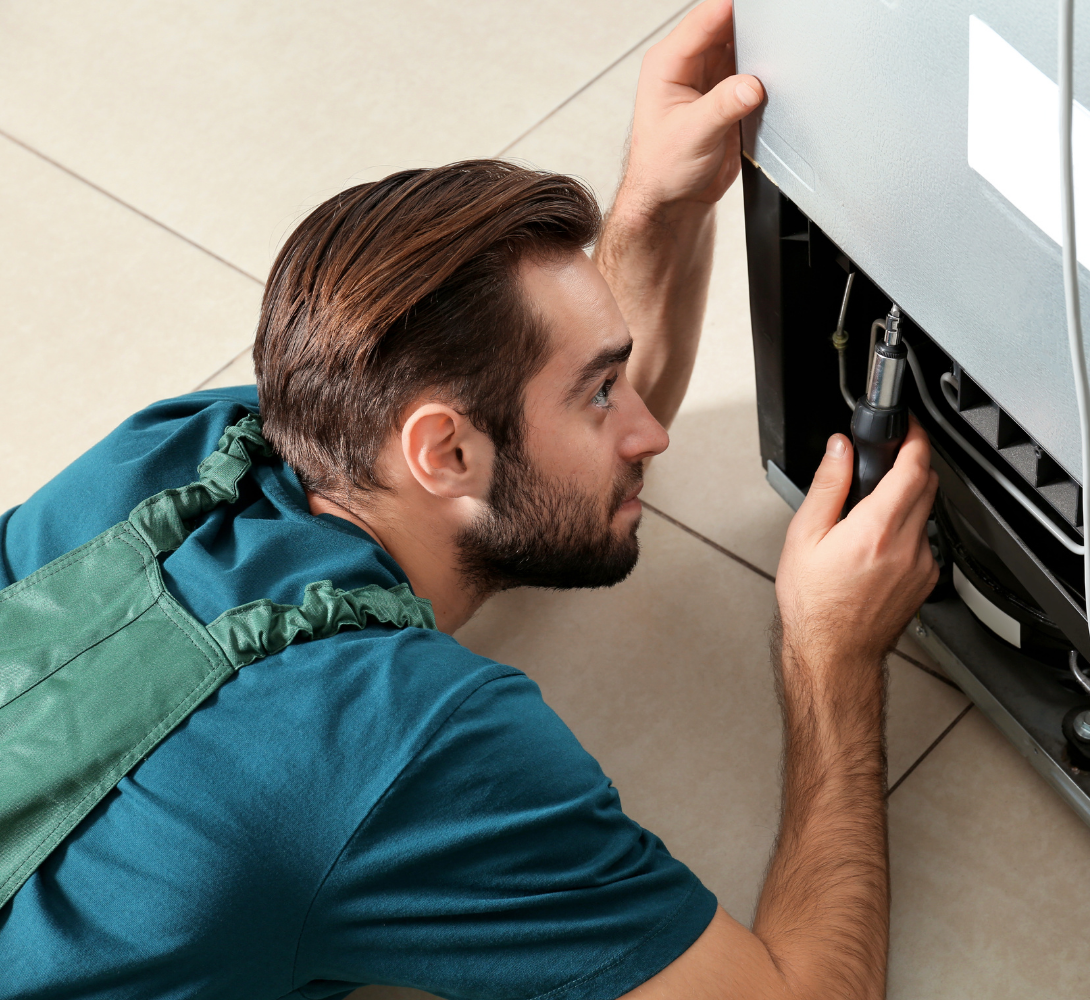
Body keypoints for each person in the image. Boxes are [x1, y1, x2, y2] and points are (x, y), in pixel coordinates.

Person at [0, 1, 938, 997]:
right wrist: (829, 653)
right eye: (600, 392)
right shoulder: (406, 748)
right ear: (441, 450)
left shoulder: (191, 445)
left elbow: (535, 466)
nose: (652, 433)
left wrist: (656, 208)